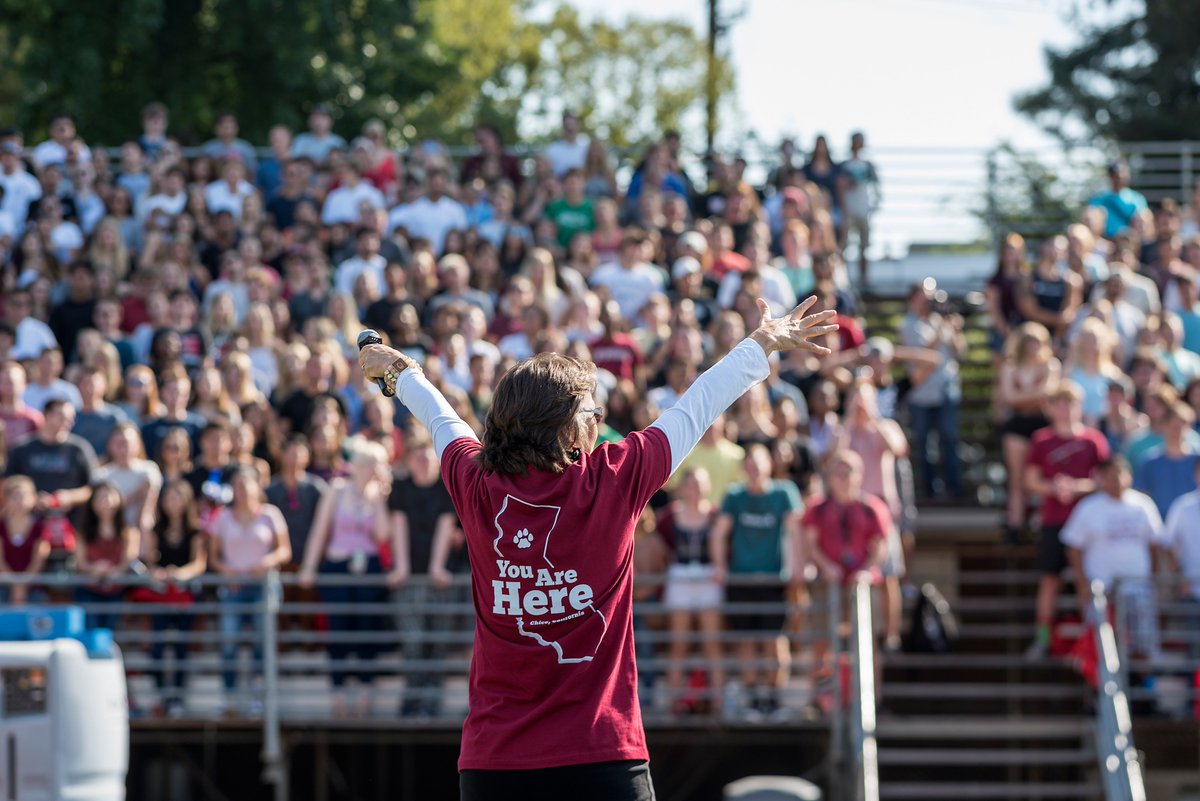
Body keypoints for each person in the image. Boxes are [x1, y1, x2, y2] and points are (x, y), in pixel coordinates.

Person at [358, 295, 835, 800]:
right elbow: (697, 407)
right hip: (603, 756)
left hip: (495, 763)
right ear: (565, 427)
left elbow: (440, 420)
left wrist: (400, 371)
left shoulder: (477, 483)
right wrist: (761, 343)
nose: (600, 419)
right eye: (592, 410)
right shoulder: (614, 479)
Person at [298, 440, 403, 718]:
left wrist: (380, 499)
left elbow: (382, 535)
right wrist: (309, 566)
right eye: (371, 463)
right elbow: (320, 532)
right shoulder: (336, 490)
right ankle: (339, 691)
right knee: (339, 628)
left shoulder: (380, 494)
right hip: (337, 564)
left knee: (368, 627)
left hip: (368, 567)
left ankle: (366, 690)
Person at [708, 444, 804, 720]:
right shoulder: (735, 496)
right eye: (749, 465)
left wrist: (798, 566)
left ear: (769, 466)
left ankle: (774, 699)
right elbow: (718, 534)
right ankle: (752, 699)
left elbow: (795, 531)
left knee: (775, 640)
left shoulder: (784, 492)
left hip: (773, 580)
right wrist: (720, 567)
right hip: (741, 579)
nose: (754, 470)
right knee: (746, 641)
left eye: (759, 465)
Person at [1023, 382, 1110, 660]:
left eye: (1069, 403)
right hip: (1054, 521)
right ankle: (1042, 640)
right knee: (1050, 581)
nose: (1065, 409)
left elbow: (1105, 480)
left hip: (1089, 524)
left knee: (1088, 583)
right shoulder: (1041, 440)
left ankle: (1092, 642)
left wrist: (1076, 487)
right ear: (1050, 408)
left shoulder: (1093, 440)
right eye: (1059, 403)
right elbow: (1031, 481)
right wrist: (1054, 489)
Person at [389, 428, 461, 717]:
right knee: (413, 639)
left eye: (426, 453)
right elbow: (398, 525)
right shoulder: (401, 487)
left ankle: (431, 696)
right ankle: (413, 693)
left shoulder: (445, 486)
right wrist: (402, 566)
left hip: (439, 577)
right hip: (411, 577)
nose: (422, 459)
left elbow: (446, 525)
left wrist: (437, 567)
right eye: (416, 454)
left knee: (439, 640)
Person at [207, 465, 291, 715]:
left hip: (262, 587)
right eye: (237, 485)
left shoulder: (270, 514)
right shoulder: (222, 517)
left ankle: (259, 695)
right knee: (229, 641)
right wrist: (227, 571)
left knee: (260, 642)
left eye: (246, 484)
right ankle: (229, 697)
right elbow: (213, 558)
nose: (242, 490)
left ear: (258, 486)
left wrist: (266, 563)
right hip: (232, 588)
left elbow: (285, 551)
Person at [1060, 456, 1164, 658]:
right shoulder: (1088, 507)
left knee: (1143, 641)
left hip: (1138, 587)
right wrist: (1082, 585)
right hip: (1102, 589)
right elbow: (1073, 548)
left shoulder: (1142, 504)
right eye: (1109, 476)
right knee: (1101, 643)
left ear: (1129, 477)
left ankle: (1143, 683)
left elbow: (1155, 544)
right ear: (1100, 479)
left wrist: (1154, 579)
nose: (1115, 481)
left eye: (1119, 475)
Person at [657, 467, 724, 715]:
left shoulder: (716, 515)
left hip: (708, 577)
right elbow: (656, 543)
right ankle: (674, 703)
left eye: (699, 484)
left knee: (712, 644)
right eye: (689, 484)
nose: (694, 490)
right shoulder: (670, 515)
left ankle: (718, 704)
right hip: (680, 577)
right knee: (678, 644)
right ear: (682, 488)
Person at [139, 480, 207, 717]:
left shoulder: (195, 530)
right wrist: (158, 572)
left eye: (178, 497)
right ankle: (161, 695)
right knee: (156, 648)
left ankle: (177, 697)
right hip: (162, 595)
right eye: (170, 497)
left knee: (181, 647)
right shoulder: (157, 529)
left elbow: (199, 562)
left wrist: (179, 574)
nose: (173, 502)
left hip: (185, 595)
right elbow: (150, 561)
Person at [900, 281, 966, 499]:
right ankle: (929, 490)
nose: (929, 302)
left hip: (946, 390)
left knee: (949, 438)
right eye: (924, 297)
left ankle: (954, 488)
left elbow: (960, 351)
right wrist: (940, 331)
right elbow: (924, 357)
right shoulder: (907, 325)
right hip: (921, 394)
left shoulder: (941, 321)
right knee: (924, 443)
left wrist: (954, 330)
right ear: (913, 299)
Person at [996, 323, 1061, 542]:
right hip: (1017, 425)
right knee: (1017, 477)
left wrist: (1023, 396)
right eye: (1030, 342)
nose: (1034, 347)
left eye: (1038, 342)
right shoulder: (1010, 367)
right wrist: (1036, 396)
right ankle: (1015, 524)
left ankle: (1040, 521)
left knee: (1042, 474)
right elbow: (1009, 398)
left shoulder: (1050, 366)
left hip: (1042, 424)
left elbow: (1049, 393)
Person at [73, 482, 139, 631]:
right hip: (89, 588)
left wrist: (114, 571)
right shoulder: (83, 530)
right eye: (100, 498)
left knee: (111, 630)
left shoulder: (128, 531)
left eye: (108, 497)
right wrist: (94, 568)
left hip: (117, 590)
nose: (105, 502)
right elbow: (80, 562)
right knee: (91, 628)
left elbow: (128, 559)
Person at [0, 476, 51, 605]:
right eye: (14, 496)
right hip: (4, 586)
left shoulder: (41, 527)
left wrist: (22, 586)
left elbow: (38, 560)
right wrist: (15, 585)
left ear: (33, 498)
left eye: (23, 495)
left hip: (33, 587)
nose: (19, 500)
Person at [1089, 161, 1148, 239]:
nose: (1120, 177)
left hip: (1131, 242)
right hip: (1104, 243)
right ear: (1110, 176)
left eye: (1124, 174)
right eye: (1116, 175)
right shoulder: (1099, 199)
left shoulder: (1137, 199)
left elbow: (1144, 223)